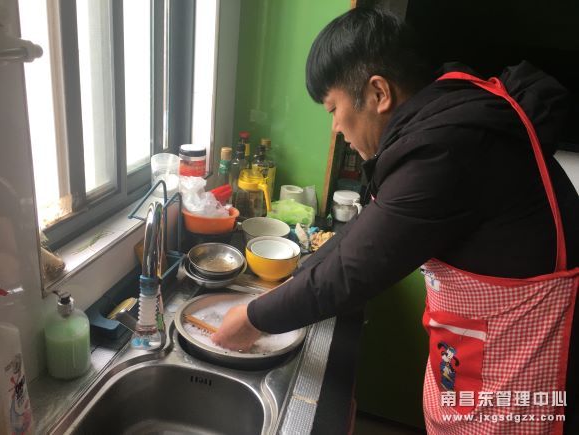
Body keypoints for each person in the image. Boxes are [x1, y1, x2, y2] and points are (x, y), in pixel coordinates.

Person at [212, 7, 579, 434]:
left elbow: (353, 270)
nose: (336, 128)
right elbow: (366, 230)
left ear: (378, 93)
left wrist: (253, 317)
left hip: (525, 365)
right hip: (477, 351)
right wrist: (294, 280)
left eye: (334, 109)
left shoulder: (446, 148)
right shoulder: (443, 120)